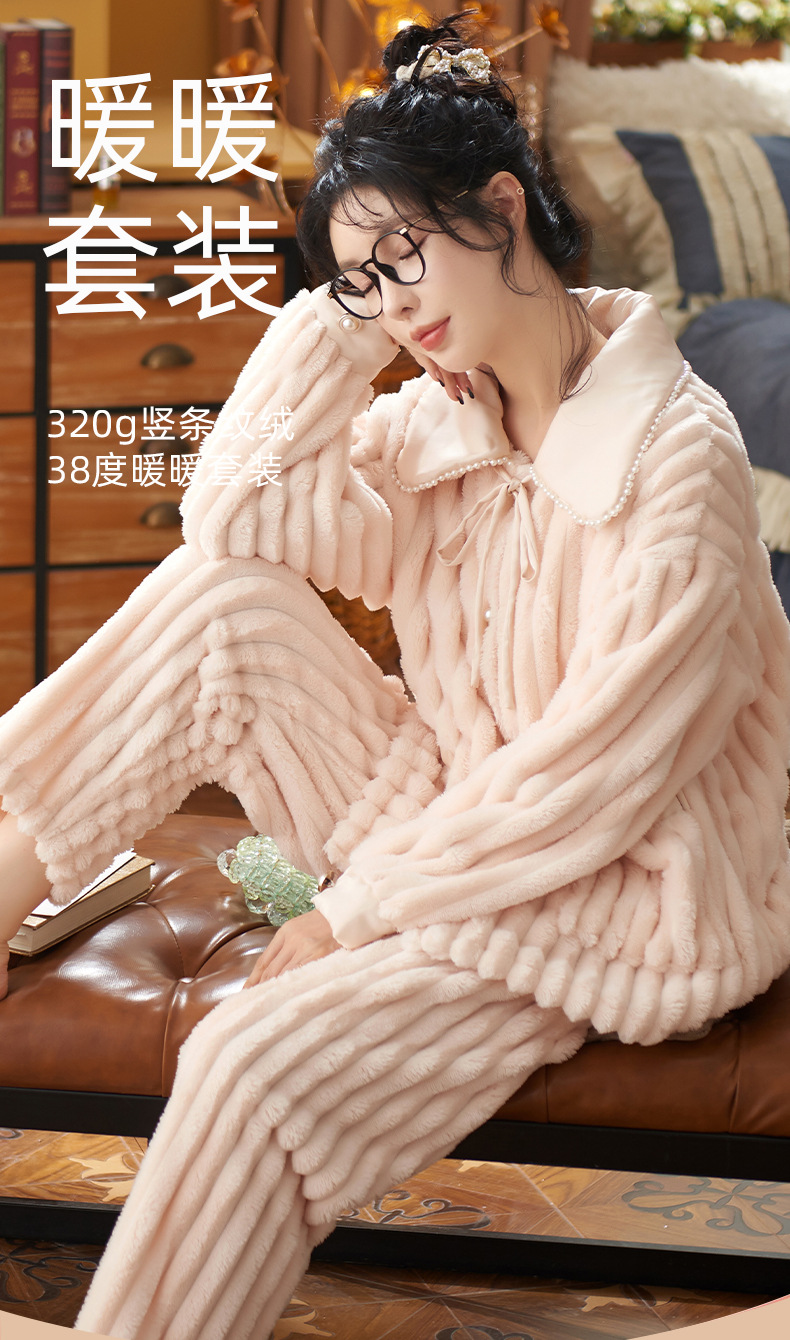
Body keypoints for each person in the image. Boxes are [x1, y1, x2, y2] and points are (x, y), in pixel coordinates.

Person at [0, 11, 789, 1338]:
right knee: (220, 605)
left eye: (408, 255)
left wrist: (351, 914)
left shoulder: (675, 454)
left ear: (501, 208)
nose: (397, 304)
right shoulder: (440, 415)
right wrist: (336, 319)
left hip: (613, 889)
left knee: (248, 1059)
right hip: (453, 820)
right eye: (363, 280)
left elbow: (596, 784)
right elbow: (234, 517)